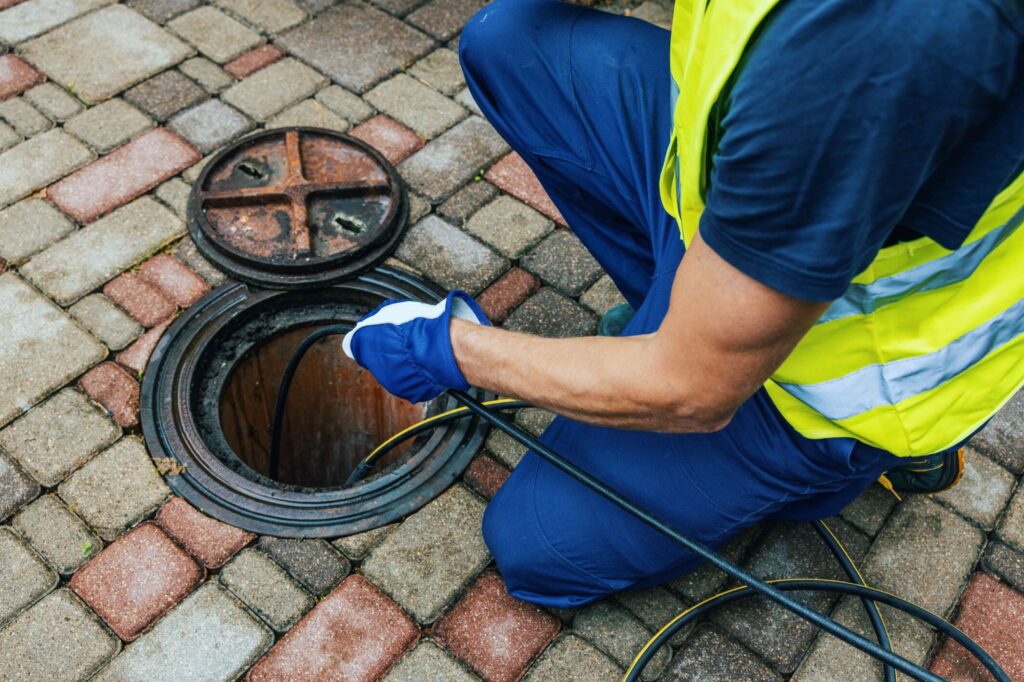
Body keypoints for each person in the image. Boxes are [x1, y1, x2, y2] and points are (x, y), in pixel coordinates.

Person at [343, 0, 1024, 608]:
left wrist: (449, 347)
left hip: (832, 381)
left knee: (538, 546)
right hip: (748, 201)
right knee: (511, 40)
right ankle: (691, 319)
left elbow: (691, 390)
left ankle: (841, 474)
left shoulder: (875, 41)